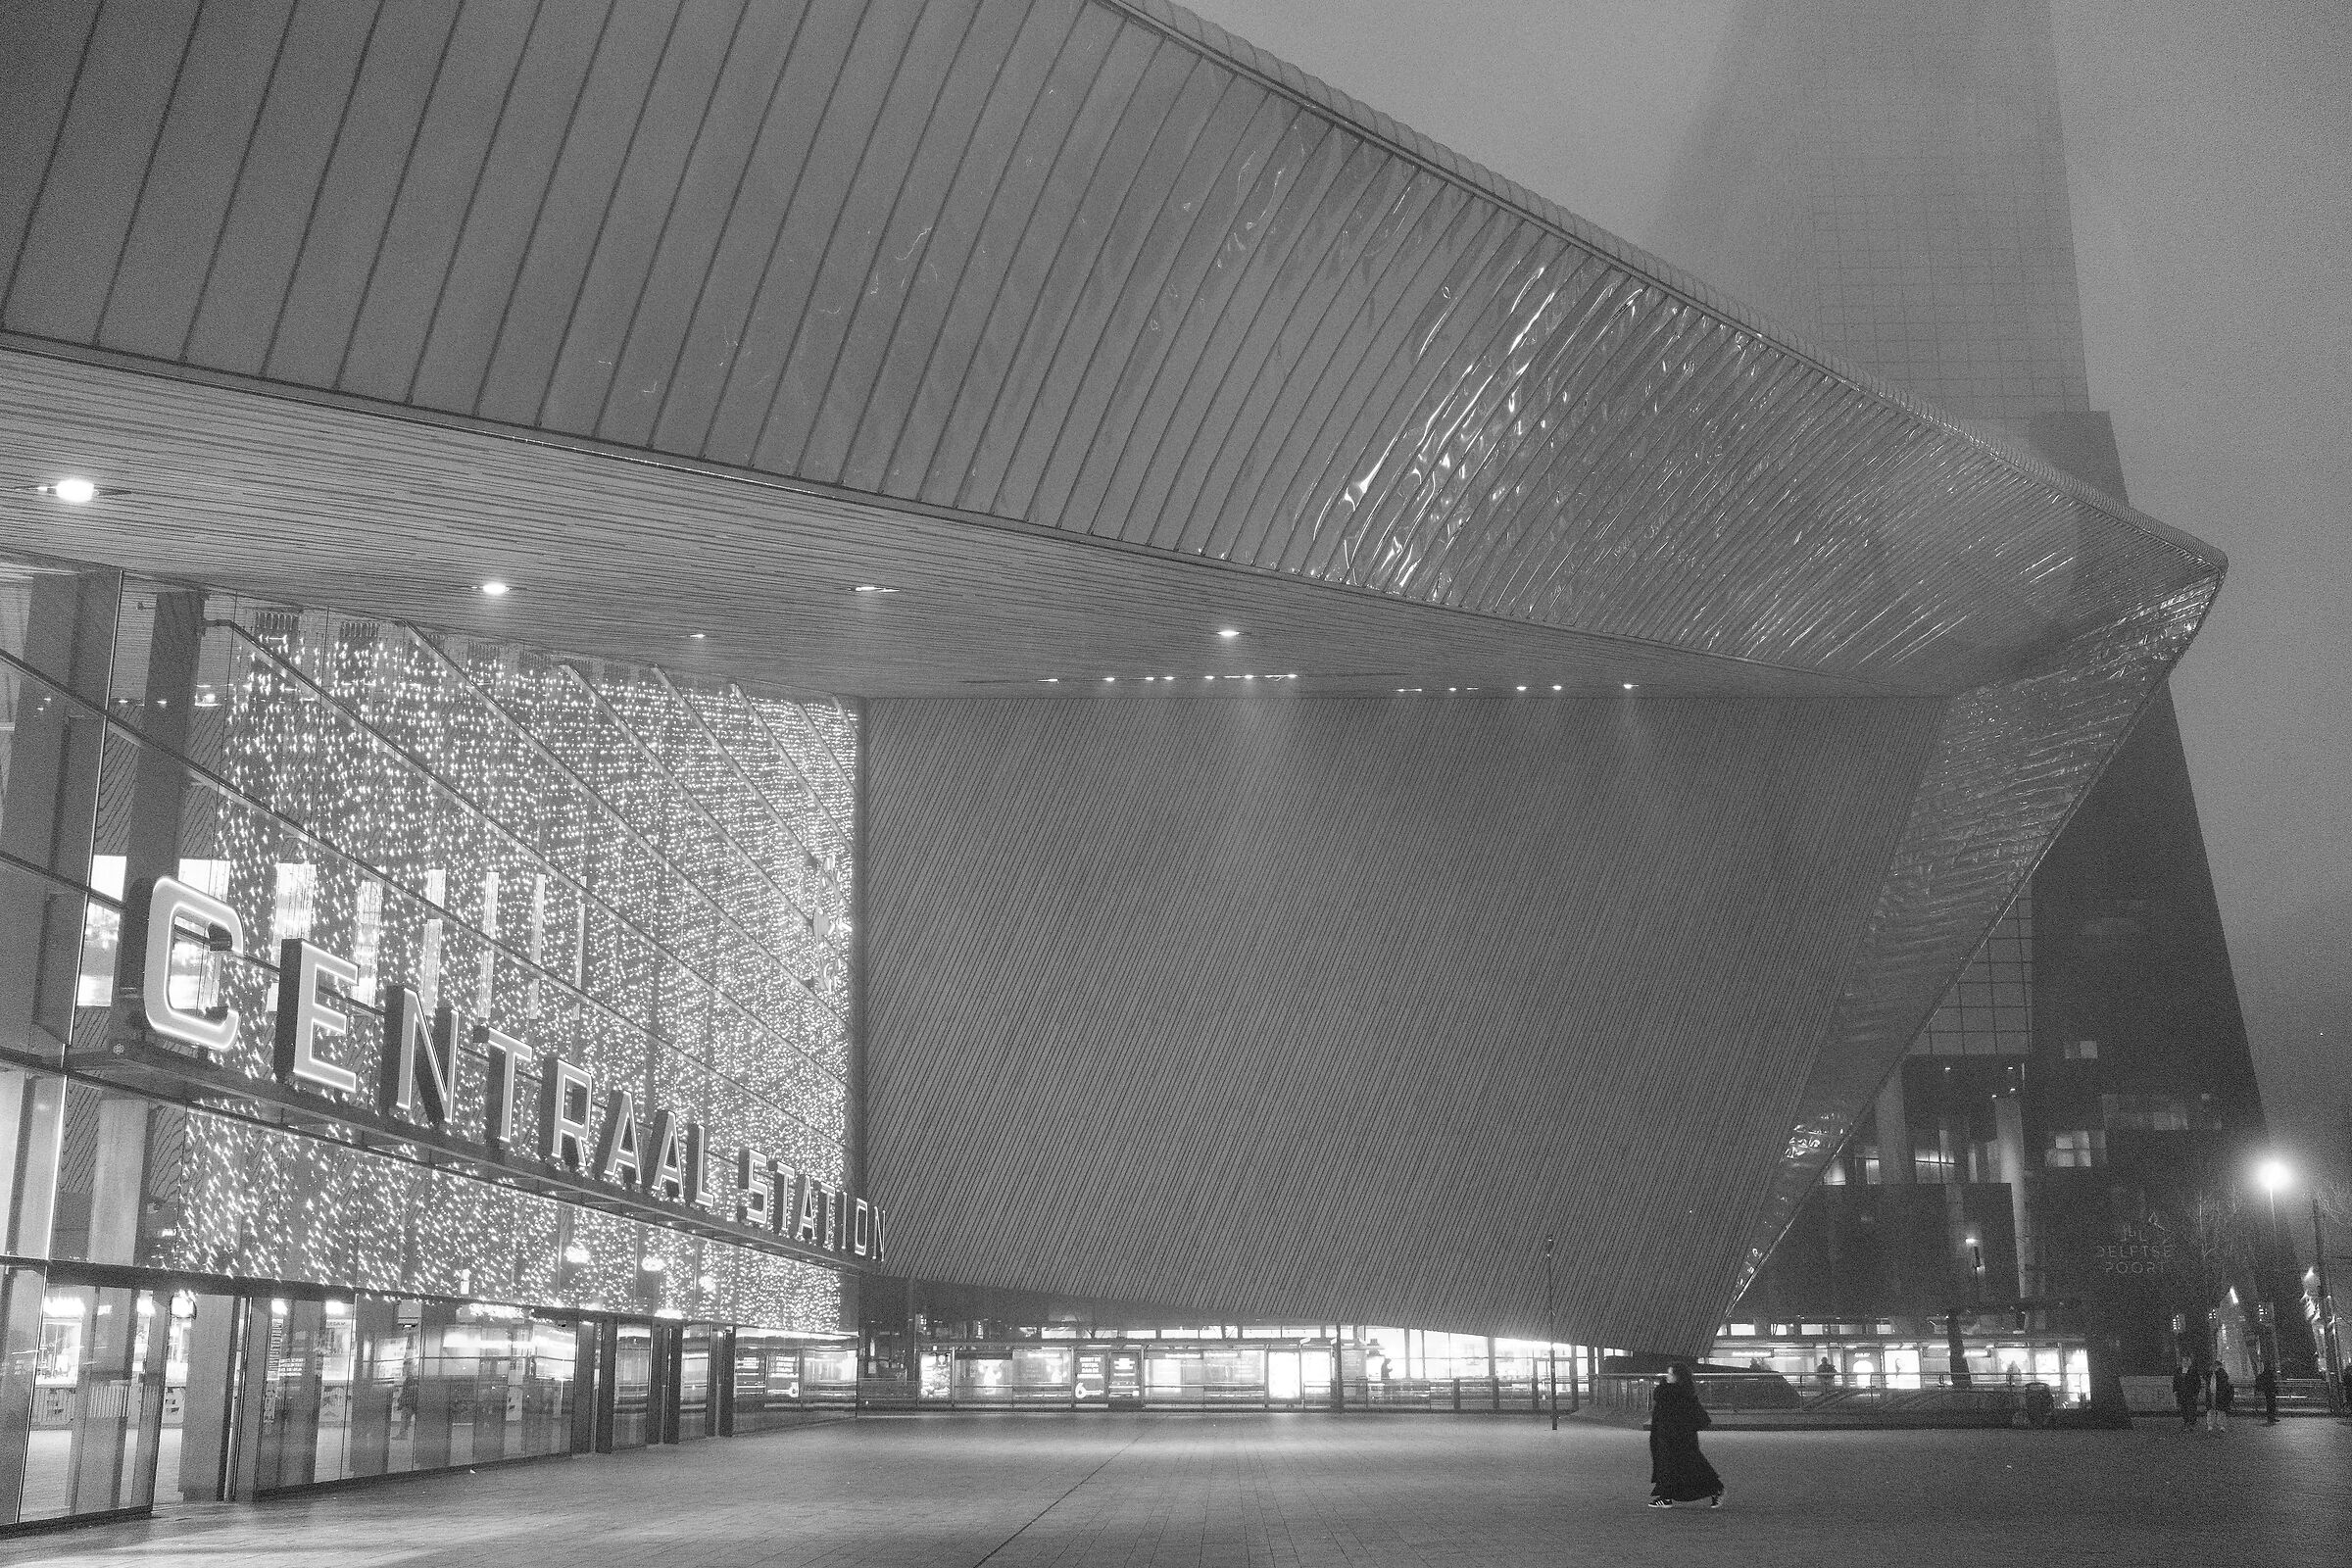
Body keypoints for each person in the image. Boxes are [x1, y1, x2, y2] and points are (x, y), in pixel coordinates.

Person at [1647, 1363, 1724, 1509]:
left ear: (1677, 1376)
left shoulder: (1676, 1394)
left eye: (1670, 1374)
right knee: (1669, 1466)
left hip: (1679, 1437)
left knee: (1688, 1465)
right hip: (1668, 1436)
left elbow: (1698, 1417)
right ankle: (1666, 1496)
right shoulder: (1678, 1392)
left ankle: (1715, 1488)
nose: (1667, 1377)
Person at [2171, 1357, 2200, 1430]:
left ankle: (2192, 1423)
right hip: (2181, 1393)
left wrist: (2196, 1392)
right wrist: (2175, 1390)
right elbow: (2175, 1381)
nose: (2185, 1363)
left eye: (2187, 1362)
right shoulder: (2178, 1371)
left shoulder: (2193, 1371)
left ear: (2189, 1363)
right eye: (2184, 1362)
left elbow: (2197, 1382)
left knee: (2191, 1408)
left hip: (2191, 1393)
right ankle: (2186, 1422)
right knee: (2183, 1408)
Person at [2205, 1363, 2232, 1434]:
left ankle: (2221, 1425)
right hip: (2211, 1393)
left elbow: (2224, 1382)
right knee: (2210, 1409)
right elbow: (2206, 1378)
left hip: (2219, 1394)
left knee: (2220, 1410)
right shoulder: (2209, 1374)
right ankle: (2210, 1424)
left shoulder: (2222, 1374)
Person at [2254, 1360, 2278, 1425]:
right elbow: (2271, 1382)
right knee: (2271, 1404)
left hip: (2268, 1390)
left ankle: (2271, 1417)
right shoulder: (2269, 1373)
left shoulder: (2265, 1373)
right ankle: (2271, 1417)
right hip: (2270, 1390)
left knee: (2270, 1404)